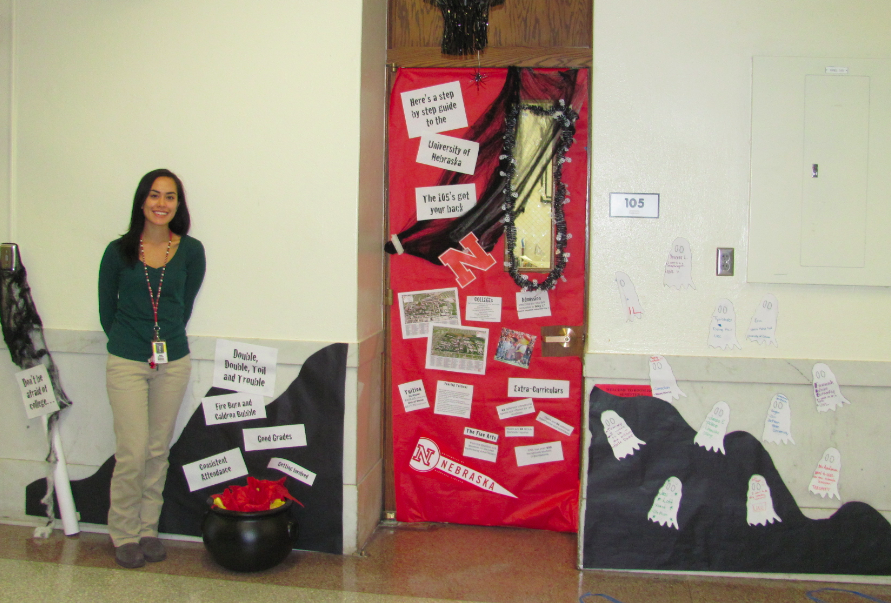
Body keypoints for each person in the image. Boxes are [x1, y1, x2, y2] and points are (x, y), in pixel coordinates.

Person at [98, 169, 206, 568]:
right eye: (155, 195)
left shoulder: (192, 251)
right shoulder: (118, 250)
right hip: (126, 360)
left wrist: (163, 338)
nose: (162, 204)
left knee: (158, 449)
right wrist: (131, 341)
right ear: (142, 201)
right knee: (132, 450)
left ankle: (147, 529)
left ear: (179, 204)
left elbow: (184, 303)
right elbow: (106, 309)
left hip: (173, 360)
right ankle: (123, 532)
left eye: (171, 197)